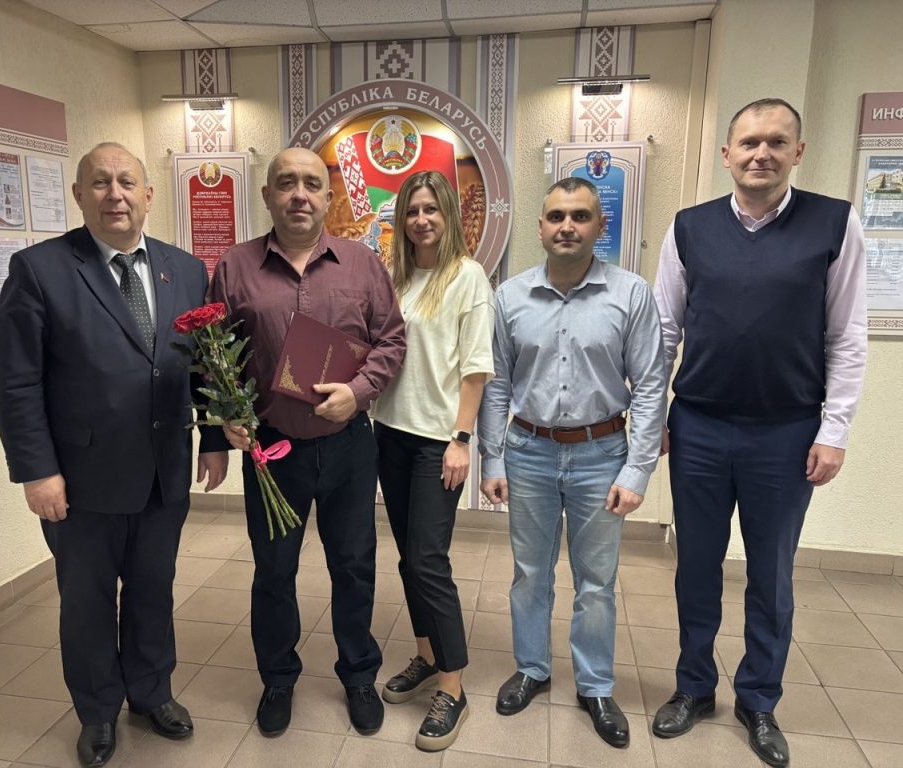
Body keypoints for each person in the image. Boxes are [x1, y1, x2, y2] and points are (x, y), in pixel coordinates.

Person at [0, 143, 227, 768]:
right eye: (100, 183)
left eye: (126, 182)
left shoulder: (185, 270)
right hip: (80, 481)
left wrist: (215, 440)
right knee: (87, 603)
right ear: (79, 195)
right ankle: (97, 711)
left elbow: (205, 364)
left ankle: (150, 693)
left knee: (153, 591)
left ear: (148, 195)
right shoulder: (39, 269)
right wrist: (37, 470)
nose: (114, 194)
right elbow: (15, 381)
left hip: (163, 473)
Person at [650, 98, 868, 768]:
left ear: (798, 151)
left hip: (786, 432)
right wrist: (652, 416)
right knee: (697, 567)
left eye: (776, 142)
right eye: (748, 143)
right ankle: (694, 687)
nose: (761, 154)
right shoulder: (690, 228)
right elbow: (663, 330)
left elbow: (847, 336)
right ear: (727, 154)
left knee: (771, 574)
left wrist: (834, 430)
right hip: (699, 425)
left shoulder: (834, 223)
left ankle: (759, 699)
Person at [208, 148, 406, 738]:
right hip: (273, 450)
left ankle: (359, 674)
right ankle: (277, 678)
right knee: (274, 571)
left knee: (354, 566)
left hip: (348, 444)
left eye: (312, 184)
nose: (299, 194)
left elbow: (391, 341)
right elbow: (215, 352)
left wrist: (359, 391)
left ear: (328, 196)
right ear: (267, 195)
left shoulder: (362, 264)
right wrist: (228, 416)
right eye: (287, 183)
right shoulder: (234, 266)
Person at [479, 177, 666, 749]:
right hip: (528, 452)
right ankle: (532, 669)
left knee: (596, 583)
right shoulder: (511, 297)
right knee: (529, 573)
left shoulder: (631, 294)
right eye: (557, 216)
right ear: (540, 227)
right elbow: (496, 384)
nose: (567, 226)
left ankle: (595, 685)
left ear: (599, 226)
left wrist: (637, 470)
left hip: (601, 455)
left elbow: (651, 384)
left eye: (580, 216)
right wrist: (493, 458)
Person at [370, 170, 494, 751]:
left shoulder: (467, 277)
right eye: (412, 210)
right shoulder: (394, 278)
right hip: (389, 433)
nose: (421, 220)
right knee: (408, 559)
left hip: (437, 442)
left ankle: (452, 687)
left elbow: (475, 366)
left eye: (431, 209)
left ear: (449, 215)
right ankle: (425, 657)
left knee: (428, 561)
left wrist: (461, 438)